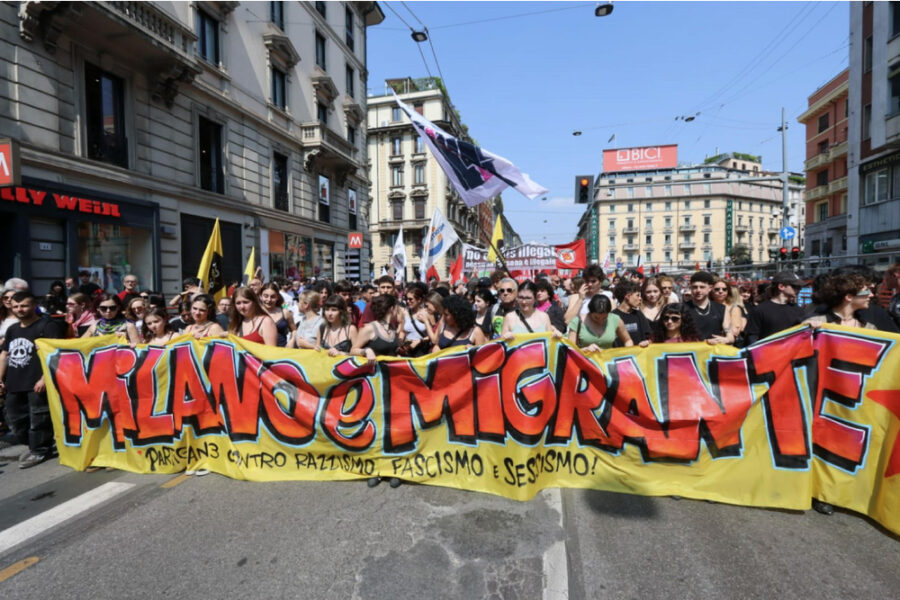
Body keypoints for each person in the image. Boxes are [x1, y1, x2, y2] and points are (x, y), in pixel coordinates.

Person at [0, 291, 68, 468]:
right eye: (16, 306)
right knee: (15, 420)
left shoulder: (48, 326)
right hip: (14, 382)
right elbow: (4, 355)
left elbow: (56, 354)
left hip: (37, 381)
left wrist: (44, 379)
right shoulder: (12, 329)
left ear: (33, 306)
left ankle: (40, 450)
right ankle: (35, 444)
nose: (19, 309)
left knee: (39, 418)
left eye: (24, 305)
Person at [745, 271, 805, 345]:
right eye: (795, 286)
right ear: (781, 286)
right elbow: (751, 338)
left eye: (800, 287)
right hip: (768, 351)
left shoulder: (798, 311)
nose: (799, 289)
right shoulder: (759, 310)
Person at [803, 273, 877, 331]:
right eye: (866, 291)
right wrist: (805, 330)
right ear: (849, 297)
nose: (871, 295)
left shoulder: (869, 328)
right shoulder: (816, 323)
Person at [567, 294, 633, 352]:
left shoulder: (615, 319)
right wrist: (585, 350)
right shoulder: (577, 322)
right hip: (585, 360)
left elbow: (628, 340)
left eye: (604, 318)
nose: (600, 321)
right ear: (590, 312)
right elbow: (571, 349)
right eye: (596, 318)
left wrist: (628, 353)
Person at [684, 271, 733, 344]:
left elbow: (731, 337)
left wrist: (726, 340)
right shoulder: (683, 308)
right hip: (692, 349)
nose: (698, 290)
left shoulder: (721, 309)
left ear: (710, 288)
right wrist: (705, 342)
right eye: (695, 287)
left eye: (702, 287)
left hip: (714, 349)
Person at [352, 294, 400, 360]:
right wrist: (366, 351)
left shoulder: (393, 328)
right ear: (392, 309)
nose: (398, 312)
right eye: (398, 310)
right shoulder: (369, 328)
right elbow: (353, 351)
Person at [400, 283, 436, 357]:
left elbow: (434, 334)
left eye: (410, 299)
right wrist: (400, 343)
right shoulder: (404, 312)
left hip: (422, 350)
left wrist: (420, 341)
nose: (408, 301)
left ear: (419, 300)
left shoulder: (427, 313)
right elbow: (402, 331)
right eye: (406, 299)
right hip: (408, 350)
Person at [612, 281, 652, 346]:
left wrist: (646, 342)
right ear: (628, 296)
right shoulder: (612, 316)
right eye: (637, 295)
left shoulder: (638, 314)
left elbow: (649, 336)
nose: (640, 299)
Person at [711, 277, 746, 344]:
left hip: (727, 345)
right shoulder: (707, 306)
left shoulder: (734, 308)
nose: (721, 291)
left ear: (728, 291)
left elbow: (735, 331)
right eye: (717, 289)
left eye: (724, 289)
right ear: (711, 290)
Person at [260, 283, 296, 347]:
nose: (269, 300)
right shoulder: (255, 312)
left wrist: (292, 341)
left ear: (277, 297)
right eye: (266, 296)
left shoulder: (285, 312)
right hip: (260, 351)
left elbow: (294, 330)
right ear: (260, 296)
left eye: (273, 297)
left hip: (282, 350)